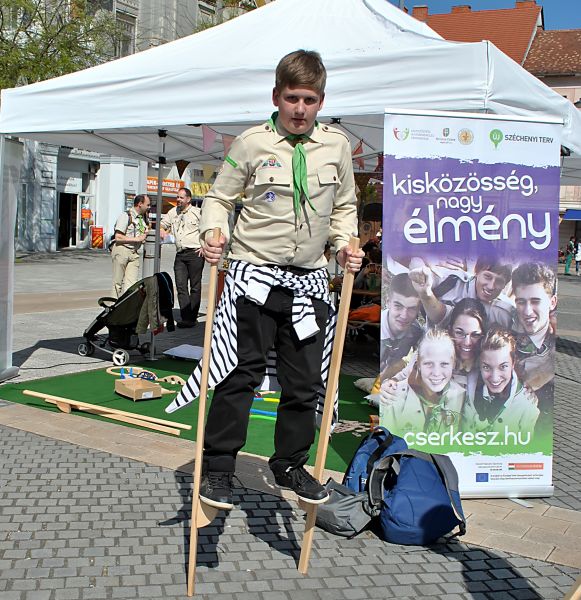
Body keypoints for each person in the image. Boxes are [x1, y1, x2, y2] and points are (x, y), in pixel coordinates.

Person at [194, 50, 363, 510]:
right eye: (292, 98)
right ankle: (219, 469)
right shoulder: (251, 143)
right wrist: (214, 232)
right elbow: (220, 200)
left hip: (309, 283)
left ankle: (289, 463)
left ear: (321, 100)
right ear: (276, 96)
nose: (300, 109)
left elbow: (345, 207)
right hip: (255, 278)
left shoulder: (337, 147)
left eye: (309, 99)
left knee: (306, 383)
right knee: (238, 374)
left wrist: (346, 242)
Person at [381, 329, 464, 435]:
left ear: (454, 364)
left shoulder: (461, 396)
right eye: (428, 363)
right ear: (418, 364)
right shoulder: (393, 396)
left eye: (444, 364)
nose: (436, 373)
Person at [463, 327, 539, 436]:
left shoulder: (526, 405)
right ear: (479, 364)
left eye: (503, 366)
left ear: (513, 364)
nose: (494, 378)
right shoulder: (467, 385)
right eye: (486, 367)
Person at [409, 256, 513, 329]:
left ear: (505, 285)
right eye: (487, 277)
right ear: (477, 271)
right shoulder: (450, 282)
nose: (491, 286)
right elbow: (417, 263)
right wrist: (420, 270)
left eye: (499, 281)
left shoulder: (502, 311)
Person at [511, 262, 556, 420]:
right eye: (521, 302)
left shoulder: (556, 353)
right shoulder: (505, 327)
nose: (527, 312)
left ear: (552, 303)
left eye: (535, 301)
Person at [160, 187, 204, 328]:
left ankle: (192, 317)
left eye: (181, 197)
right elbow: (162, 224)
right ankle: (186, 318)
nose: (178, 200)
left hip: (195, 253)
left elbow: (208, 229)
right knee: (180, 286)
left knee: (195, 287)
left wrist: (204, 246)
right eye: (177, 197)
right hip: (180, 253)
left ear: (188, 199)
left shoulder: (198, 213)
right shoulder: (173, 212)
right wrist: (162, 231)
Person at [379, 273, 423, 380]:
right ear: (387, 302)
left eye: (412, 308)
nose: (404, 316)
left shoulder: (417, 331)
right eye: (398, 306)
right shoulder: (376, 325)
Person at [110, 194, 150, 298]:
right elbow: (118, 237)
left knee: (132, 285)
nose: (149, 207)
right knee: (117, 283)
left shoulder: (142, 218)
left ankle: (127, 308)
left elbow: (142, 233)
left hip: (134, 253)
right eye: (148, 205)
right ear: (140, 204)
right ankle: (114, 308)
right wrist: (136, 239)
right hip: (122, 250)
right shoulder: (126, 216)